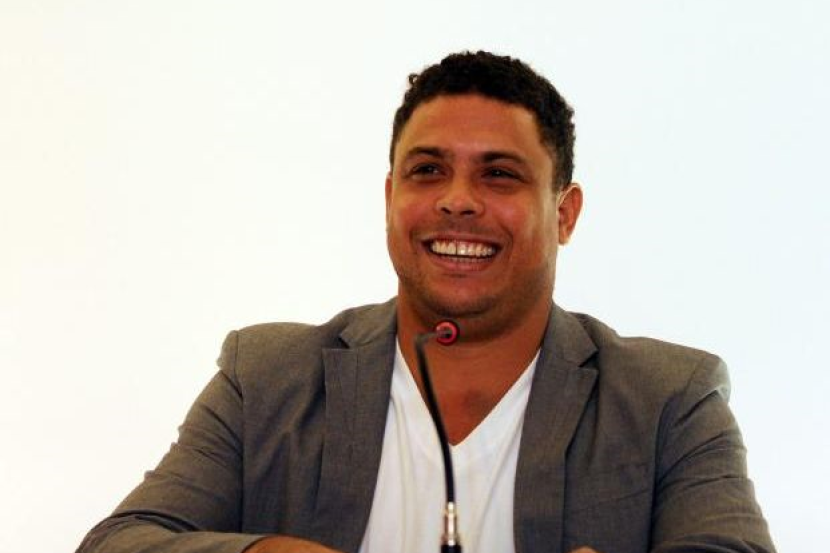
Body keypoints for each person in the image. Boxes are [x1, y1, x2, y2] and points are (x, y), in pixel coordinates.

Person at [76, 51, 776, 553]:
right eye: (428, 170)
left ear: (564, 213)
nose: (457, 200)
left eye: (499, 175)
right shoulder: (264, 376)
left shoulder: (669, 398)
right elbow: (121, 540)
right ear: (390, 198)